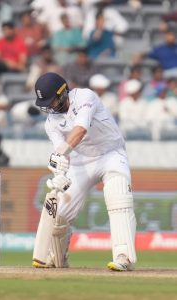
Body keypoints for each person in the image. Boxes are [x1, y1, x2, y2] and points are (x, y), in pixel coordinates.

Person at [32, 72, 137, 271]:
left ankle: (124, 257)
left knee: (118, 198)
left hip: (111, 154)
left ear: (63, 93)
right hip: (81, 162)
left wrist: (60, 153)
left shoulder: (85, 97)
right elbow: (61, 151)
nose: (50, 106)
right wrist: (60, 171)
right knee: (59, 213)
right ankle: (57, 256)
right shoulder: (50, 123)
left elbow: (80, 129)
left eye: (52, 100)